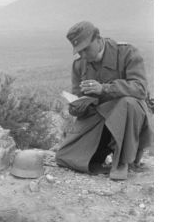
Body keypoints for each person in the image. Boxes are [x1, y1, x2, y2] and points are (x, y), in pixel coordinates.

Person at [55, 21, 154, 181]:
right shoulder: (79, 65)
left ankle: (122, 162)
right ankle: (99, 159)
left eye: (86, 49)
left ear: (99, 39)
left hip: (130, 119)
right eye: (80, 51)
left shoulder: (127, 53)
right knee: (65, 157)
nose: (84, 55)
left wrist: (104, 89)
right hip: (100, 119)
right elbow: (78, 99)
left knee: (127, 103)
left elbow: (140, 88)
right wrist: (77, 106)